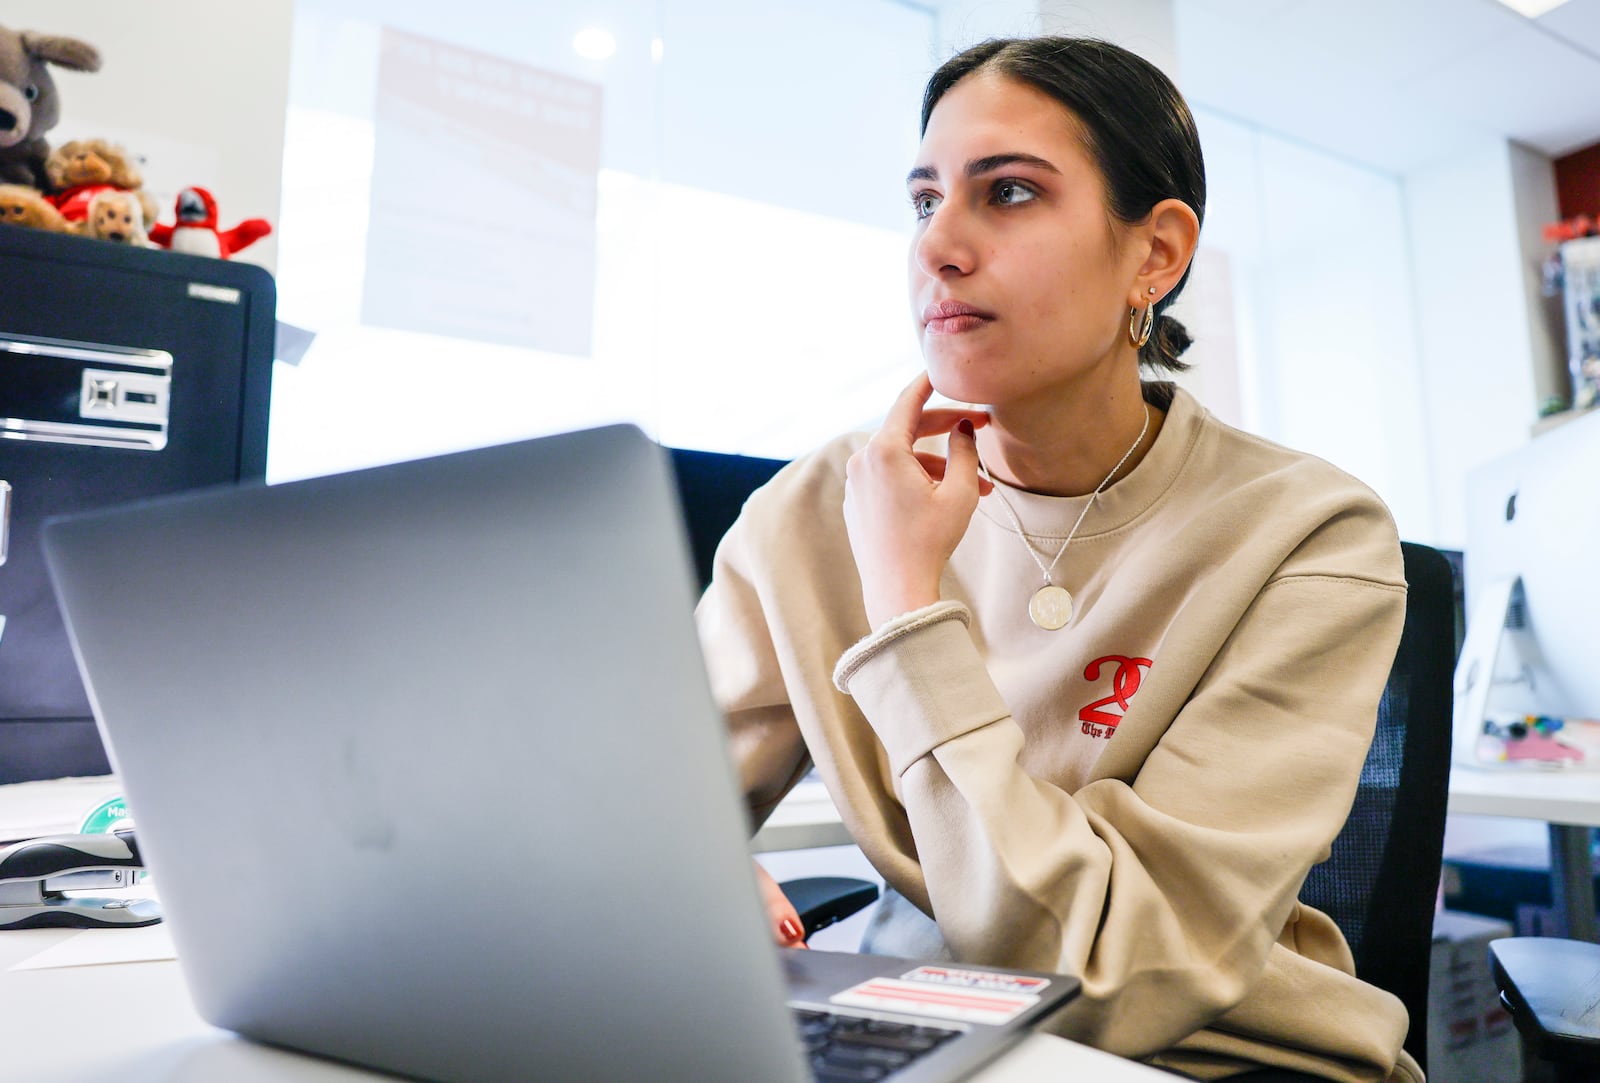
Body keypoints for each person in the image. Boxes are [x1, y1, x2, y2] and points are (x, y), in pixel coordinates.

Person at [694, 35, 1417, 1083]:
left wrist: (903, 602)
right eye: (924, 199)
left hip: (1216, 1057)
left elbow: (1118, 974)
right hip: (912, 1029)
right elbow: (640, 815)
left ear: (1156, 255)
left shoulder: (1309, 533)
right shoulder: (819, 506)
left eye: (1011, 193)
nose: (937, 245)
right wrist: (688, 870)